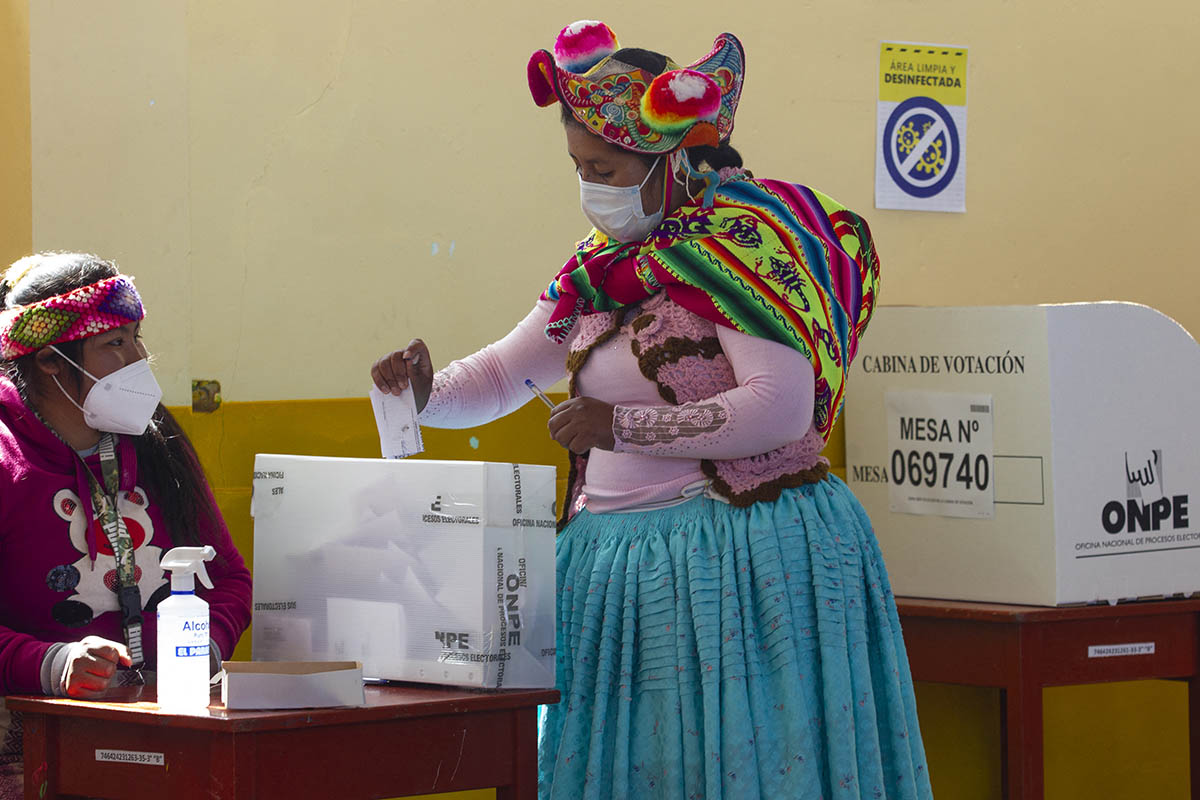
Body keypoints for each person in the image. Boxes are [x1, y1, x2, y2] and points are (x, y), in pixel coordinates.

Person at [371, 21, 932, 800]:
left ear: (667, 160)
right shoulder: (602, 268)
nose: (589, 185)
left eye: (603, 167)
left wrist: (620, 426)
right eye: (578, 166)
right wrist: (425, 392)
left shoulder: (742, 245)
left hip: (736, 565)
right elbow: (507, 372)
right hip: (621, 573)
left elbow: (780, 409)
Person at [0, 253, 252, 796]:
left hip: (169, 732)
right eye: (115, 344)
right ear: (49, 361)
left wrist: (201, 642)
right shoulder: (6, 459)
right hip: (32, 749)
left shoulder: (156, 440)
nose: (141, 358)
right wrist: (52, 663)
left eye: (137, 337)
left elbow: (230, 578)